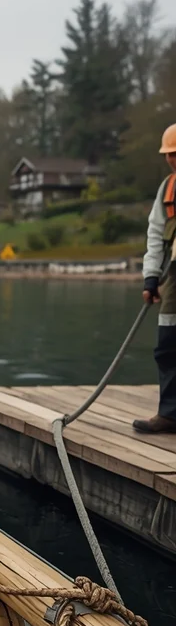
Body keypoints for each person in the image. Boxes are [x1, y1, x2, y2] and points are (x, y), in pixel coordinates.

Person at [134, 122, 176, 434]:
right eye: (169, 154)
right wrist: (151, 277)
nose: (172, 159)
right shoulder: (168, 188)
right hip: (174, 276)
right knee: (167, 346)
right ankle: (170, 414)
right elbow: (156, 235)